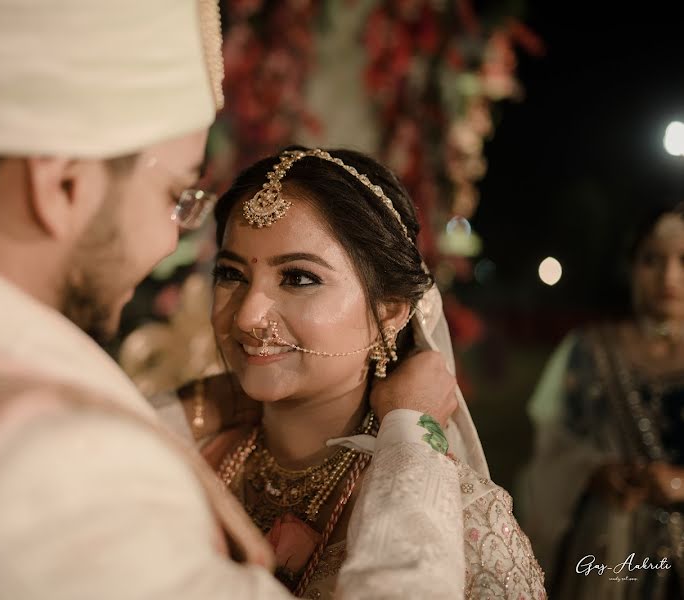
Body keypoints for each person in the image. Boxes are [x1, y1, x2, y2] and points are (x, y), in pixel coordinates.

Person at [0, 2, 467, 599]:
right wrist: (413, 436)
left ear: (393, 310)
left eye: (298, 277)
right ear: (63, 186)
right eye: (176, 197)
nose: (168, 239)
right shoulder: (78, 473)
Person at [160, 147, 545, 598]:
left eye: (298, 278)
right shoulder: (183, 457)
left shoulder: (467, 524)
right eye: (230, 274)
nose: (246, 317)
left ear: (390, 312)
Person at [517, 201, 684, 599]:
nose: (669, 276)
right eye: (652, 260)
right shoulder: (587, 349)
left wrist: (678, 482)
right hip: (603, 556)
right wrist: (593, 473)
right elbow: (550, 449)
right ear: (630, 266)